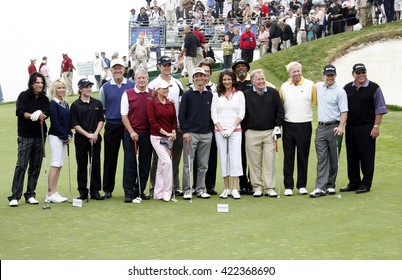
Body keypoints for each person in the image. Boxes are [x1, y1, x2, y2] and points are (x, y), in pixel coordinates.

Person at [341, 63, 387, 194]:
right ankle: (354, 182)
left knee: (366, 157)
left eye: (363, 72)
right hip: (351, 127)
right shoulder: (347, 88)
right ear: (353, 74)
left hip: (367, 127)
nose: (361, 75)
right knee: (352, 156)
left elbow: (380, 109)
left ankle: (366, 183)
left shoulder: (374, 88)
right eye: (358, 73)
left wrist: (376, 126)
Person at [8, 72, 49, 207]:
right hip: (25, 136)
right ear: (32, 83)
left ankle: (30, 194)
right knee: (21, 165)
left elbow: (46, 114)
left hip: (40, 135)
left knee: (35, 166)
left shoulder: (44, 98)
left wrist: (41, 115)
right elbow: (19, 112)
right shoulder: (23, 96)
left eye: (42, 83)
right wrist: (32, 115)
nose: (40, 85)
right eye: (37, 82)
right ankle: (15, 196)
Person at [243, 69, 285, 198]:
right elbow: (242, 114)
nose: (261, 81)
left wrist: (277, 126)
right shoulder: (246, 94)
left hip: (269, 133)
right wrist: (246, 129)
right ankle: (257, 187)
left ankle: (269, 187)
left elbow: (280, 111)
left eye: (262, 79)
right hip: (252, 132)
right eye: (258, 79)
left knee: (269, 161)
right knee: (254, 163)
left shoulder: (273, 93)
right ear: (253, 81)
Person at [309, 65, 348, 198]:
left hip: (335, 127)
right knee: (322, 158)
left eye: (332, 75)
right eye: (327, 75)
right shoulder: (319, 86)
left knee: (334, 158)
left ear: (335, 76)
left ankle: (330, 185)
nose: (329, 77)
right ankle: (320, 187)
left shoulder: (340, 91)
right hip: (320, 127)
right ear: (323, 76)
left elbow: (344, 111)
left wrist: (341, 126)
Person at [99, 59, 135, 199]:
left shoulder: (132, 85)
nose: (118, 71)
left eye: (120, 68)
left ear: (124, 69)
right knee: (110, 158)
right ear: (111, 70)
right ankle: (108, 189)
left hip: (129, 126)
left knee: (130, 158)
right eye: (115, 68)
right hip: (112, 125)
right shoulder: (105, 87)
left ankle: (130, 188)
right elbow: (102, 107)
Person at [149, 56, 184, 197]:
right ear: (159, 66)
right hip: (159, 129)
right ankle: (155, 188)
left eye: (169, 65)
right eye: (164, 65)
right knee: (158, 160)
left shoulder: (177, 83)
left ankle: (174, 186)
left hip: (175, 126)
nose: (167, 67)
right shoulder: (153, 84)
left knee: (174, 158)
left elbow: (180, 105)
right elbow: (151, 106)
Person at [280, 61, 317, 196]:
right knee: (288, 156)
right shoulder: (284, 86)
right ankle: (288, 186)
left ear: (301, 71)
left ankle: (302, 185)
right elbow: (280, 105)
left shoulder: (310, 85)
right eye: (293, 71)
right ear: (289, 73)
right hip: (288, 124)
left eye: (298, 71)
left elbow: (317, 102)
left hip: (304, 124)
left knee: (303, 156)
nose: (296, 73)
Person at [179, 67, 214, 199]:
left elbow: (212, 113)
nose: (199, 78)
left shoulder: (209, 94)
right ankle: (187, 190)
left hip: (206, 134)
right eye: (197, 76)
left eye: (202, 76)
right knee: (188, 163)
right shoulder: (187, 94)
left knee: (203, 164)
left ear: (205, 78)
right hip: (191, 134)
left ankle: (200, 189)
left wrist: (210, 130)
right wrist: (185, 131)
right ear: (193, 78)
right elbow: (182, 115)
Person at [121, 68, 153, 203]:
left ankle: (139, 190)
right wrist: (132, 131)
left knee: (145, 164)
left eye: (143, 78)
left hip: (147, 133)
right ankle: (128, 192)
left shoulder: (152, 93)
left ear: (147, 79)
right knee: (130, 163)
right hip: (131, 133)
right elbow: (124, 116)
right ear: (135, 79)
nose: (141, 80)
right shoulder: (127, 94)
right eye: (139, 78)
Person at [211, 70, 245, 199]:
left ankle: (235, 188)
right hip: (220, 131)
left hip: (235, 131)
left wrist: (231, 128)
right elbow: (214, 114)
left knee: (235, 158)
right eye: (224, 80)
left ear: (233, 80)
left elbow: (241, 113)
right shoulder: (216, 95)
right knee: (223, 159)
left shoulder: (239, 94)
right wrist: (221, 128)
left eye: (229, 79)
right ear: (221, 81)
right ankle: (226, 188)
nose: (227, 82)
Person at [70, 78, 105, 200]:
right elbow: (75, 124)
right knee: (82, 164)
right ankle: (83, 191)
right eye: (86, 87)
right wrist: (87, 135)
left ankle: (95, 191)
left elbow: (101, 120)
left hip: (95, 137)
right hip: (81, 138)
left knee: (95, 164)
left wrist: (95, 134)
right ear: (80, 89)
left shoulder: (97, 103)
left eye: (90, 86)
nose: (89, 89)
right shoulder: (75, 105)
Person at [147, 80, 177, 201]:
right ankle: (167, 192)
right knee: (167, 162)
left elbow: (174, 121)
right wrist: (167, 133)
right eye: (164, 88)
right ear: (157, 90)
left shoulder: (170, 103)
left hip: (169, 137)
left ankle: (158, 193)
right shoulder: (152, 103)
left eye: (167, 88)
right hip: (156, 137)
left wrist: (173, 131)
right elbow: (153, 123)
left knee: (161, 165)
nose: (166, 90)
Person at [45, 79, 72, 203]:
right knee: (55, 164)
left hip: (63, 137)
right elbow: (55, 123)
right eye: (58, 88)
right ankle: (50, 193)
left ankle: (55, 192)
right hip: (55, 136)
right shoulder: (53, 103)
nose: (61, 90)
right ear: (54, 90)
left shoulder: (65, 103)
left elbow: (68, 122)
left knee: (59, 165)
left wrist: (69, 134)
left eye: (63, 88)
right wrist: (64, 136)